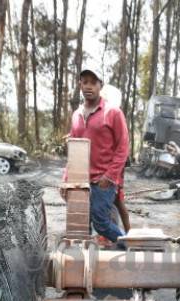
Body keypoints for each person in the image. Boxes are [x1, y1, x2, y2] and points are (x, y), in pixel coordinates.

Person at [65, 67, 129, 245]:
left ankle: (130, 247)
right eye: (85, 82)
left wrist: (110, 175)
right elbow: (74, 149)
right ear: (80, 85)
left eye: (93, 83)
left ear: (101, 85)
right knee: (81, 224)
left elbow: (123, 147)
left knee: (101, 222)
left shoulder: (113, 112)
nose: (89, 86)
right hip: (81, 180)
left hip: (103, 180)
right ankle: (86, 258)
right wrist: (66, 179)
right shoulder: (76, 115)